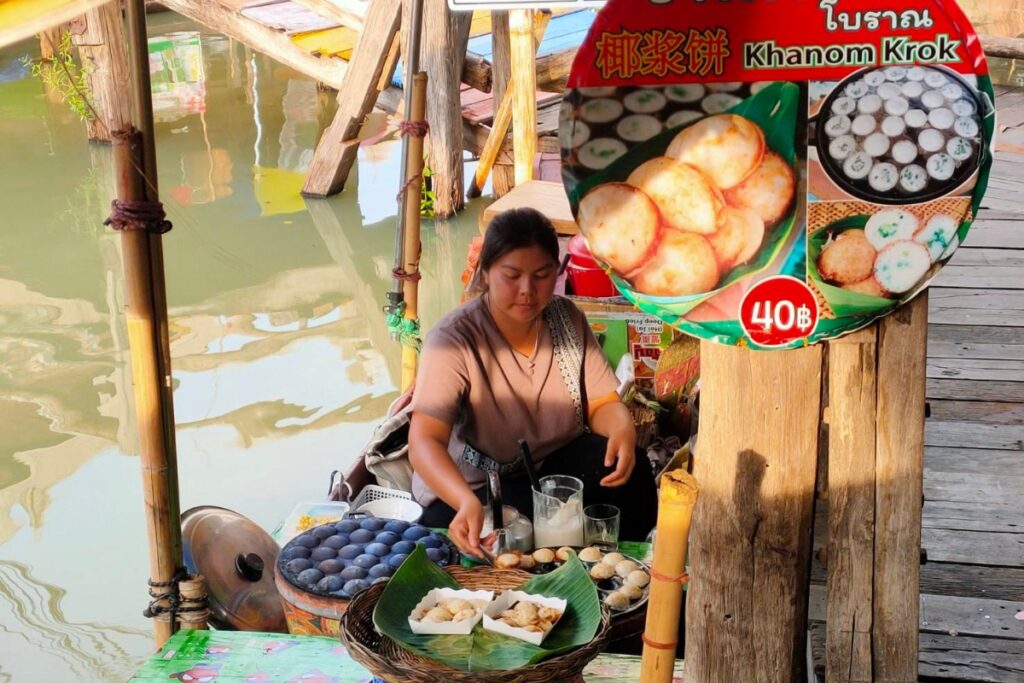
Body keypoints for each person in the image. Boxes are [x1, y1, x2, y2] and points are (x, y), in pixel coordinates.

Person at [408, 207, 657, 557]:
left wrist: (622, 430)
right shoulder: (454, 341)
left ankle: (632, 574)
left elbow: (602, 403)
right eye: (511, 275)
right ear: (486, 273)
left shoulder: (566, 318)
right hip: (477, 488)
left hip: (552, 468)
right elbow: (424, 442)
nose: (527, 290)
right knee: (521, 532)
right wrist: (463, 500)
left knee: (632, 468)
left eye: (542, 275)